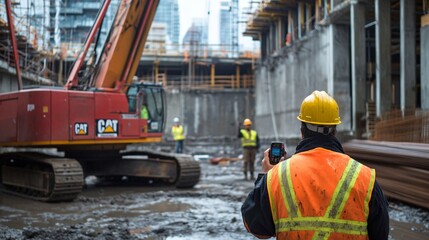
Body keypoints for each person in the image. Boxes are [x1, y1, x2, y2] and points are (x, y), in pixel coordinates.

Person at [241, 90, 389, 239]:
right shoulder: (364, 177)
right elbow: (381, 234)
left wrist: (266, 176)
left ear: (302, 130)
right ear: (334, 129)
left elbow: (255, 227)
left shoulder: (277, 176)